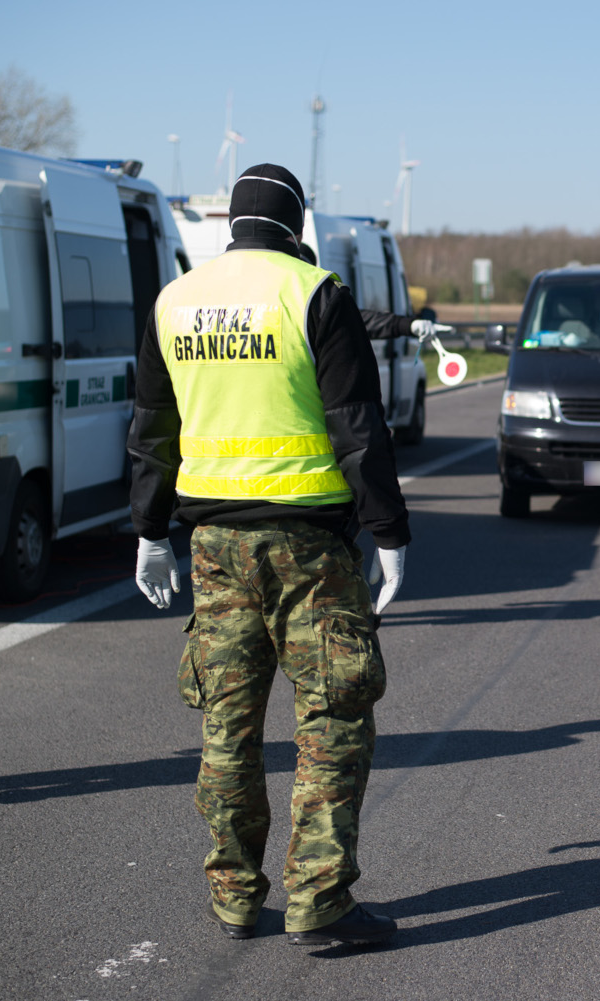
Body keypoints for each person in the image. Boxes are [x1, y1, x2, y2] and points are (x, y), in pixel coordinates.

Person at [127, 165, 408, 946]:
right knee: (331, 720)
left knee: (227, 726)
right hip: (310, 549)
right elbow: (358, 425)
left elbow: (151, 427)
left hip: (213, 545)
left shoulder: (175, 301)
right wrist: (390, 533)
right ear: (297, 222)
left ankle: (234, 897)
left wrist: (151, 531)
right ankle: (321, 901)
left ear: (232, 223)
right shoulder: (314, 293)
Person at [297, 242, 442, 342]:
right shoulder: (316, 301)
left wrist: (406, 325)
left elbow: (358, 320)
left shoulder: (314, 302)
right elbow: (359, 320)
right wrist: (407, 325)